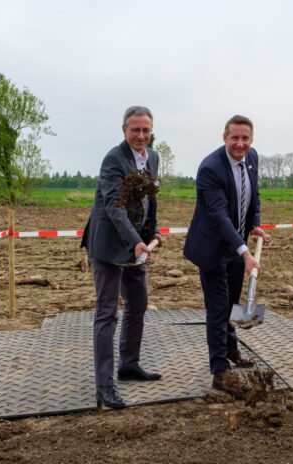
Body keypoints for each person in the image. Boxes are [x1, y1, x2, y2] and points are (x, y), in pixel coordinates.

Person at [81, 105, 165, 409]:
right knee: (107, 313)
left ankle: (128, 364)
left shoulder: (152, 157)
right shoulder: (113, 159)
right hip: (107, 245)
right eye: (135, 130)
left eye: (146, 130)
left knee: (138, 303)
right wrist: (135, 241)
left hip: (136, 244)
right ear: (124, 130)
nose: (141, 135)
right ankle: (104, 384)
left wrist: (152, 232)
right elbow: (114, 207)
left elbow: (148, 197)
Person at [183, 115, 270, 394]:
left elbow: (253, 194)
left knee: (232, 301)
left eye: (245, 138)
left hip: (236, 244)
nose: (240, 144)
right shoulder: (210, 168)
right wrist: (245, 252)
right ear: (224, 138)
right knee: (219, 308)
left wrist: (255, 223)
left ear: (251, 140)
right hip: (212, 246)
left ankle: (231, 349)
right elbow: (219, 216)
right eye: (235, 138)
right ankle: (220, 371)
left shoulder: (252, 157)